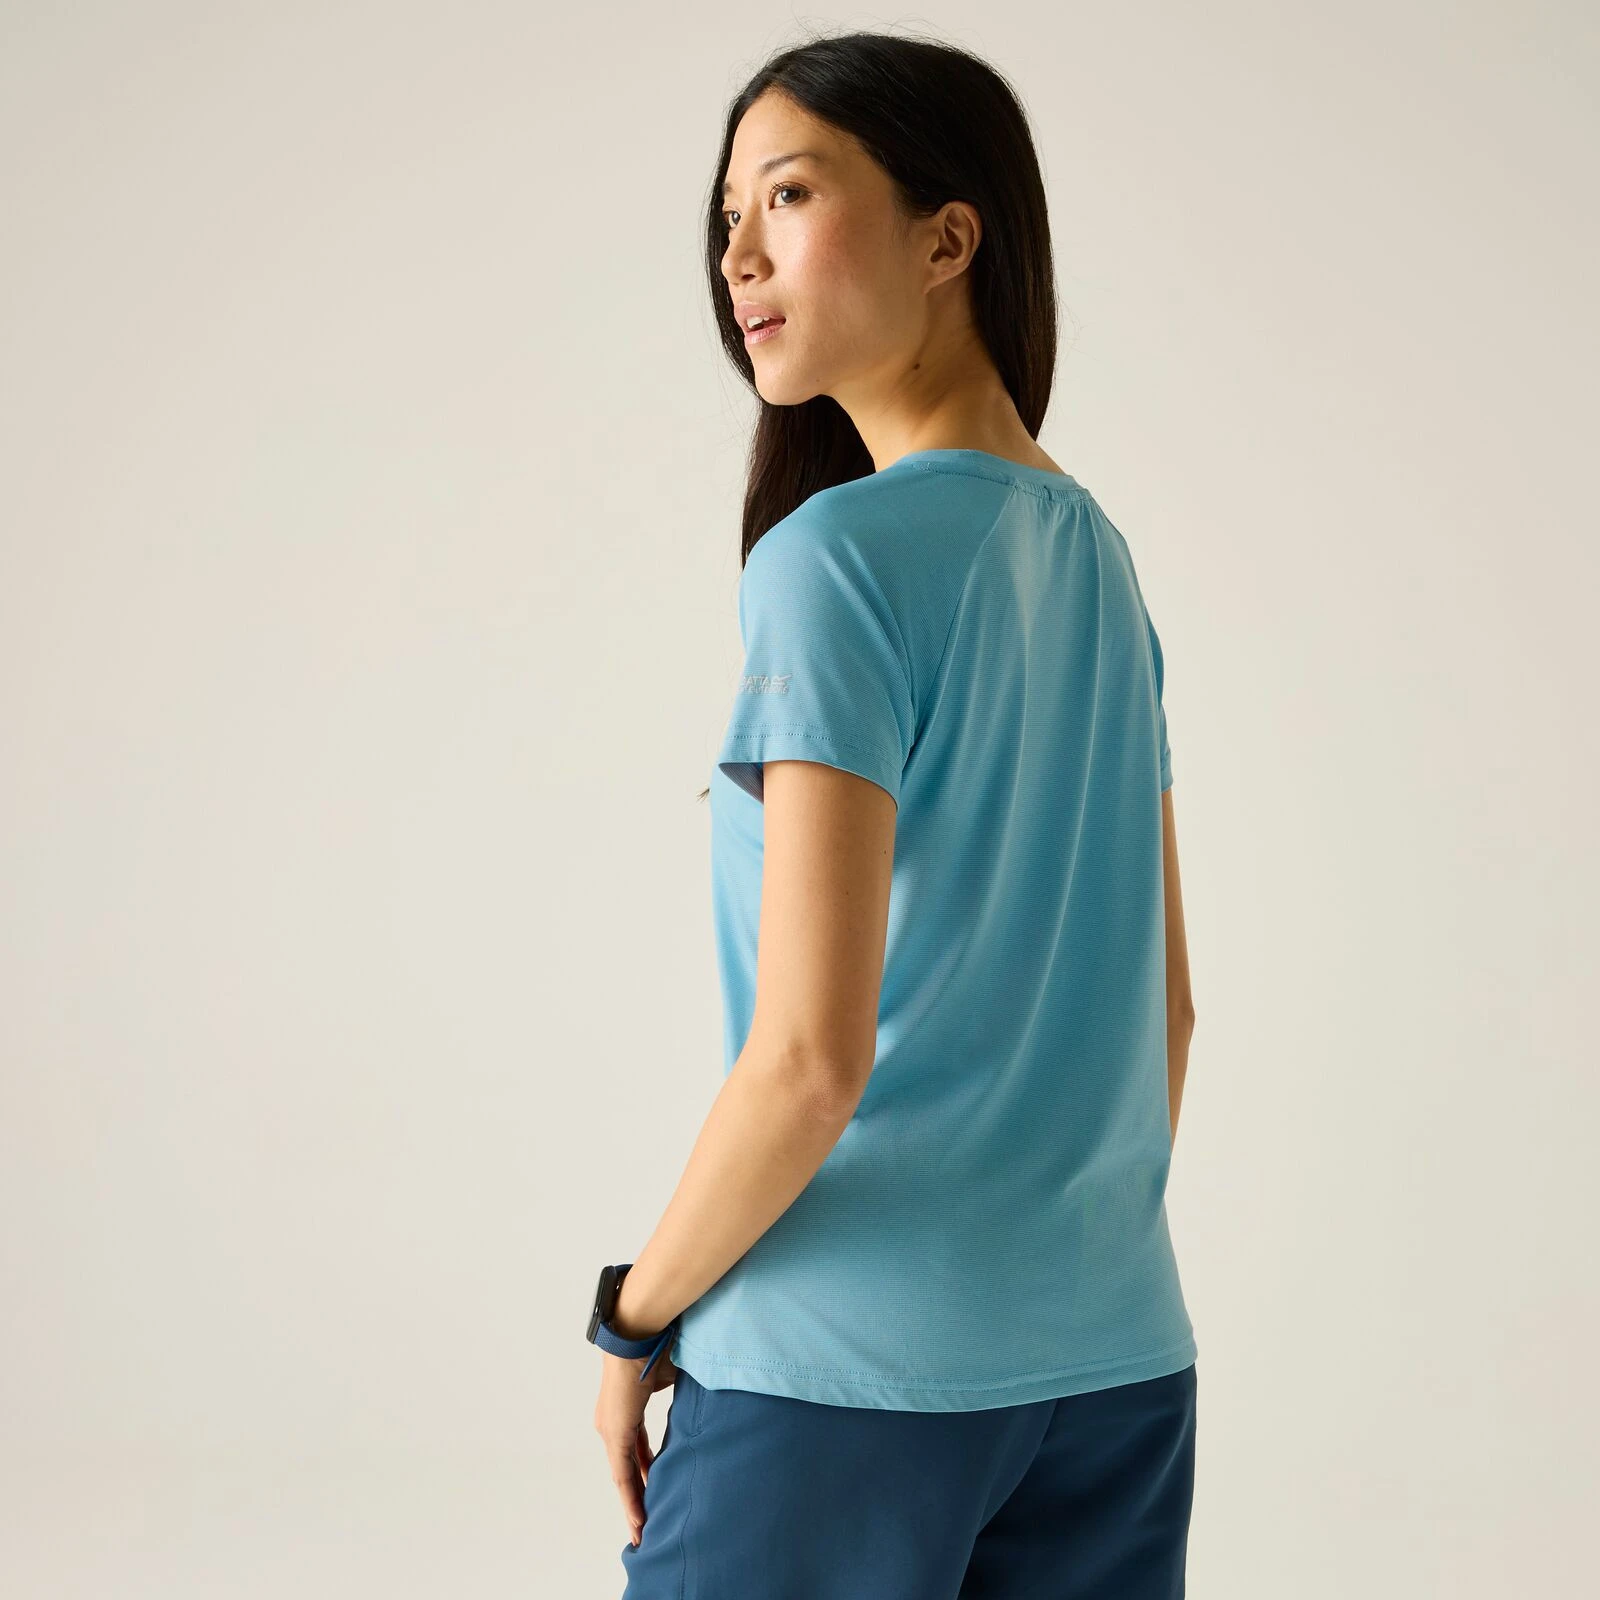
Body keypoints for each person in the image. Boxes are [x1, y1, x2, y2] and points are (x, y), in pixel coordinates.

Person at [588, 28, 1199, 1600]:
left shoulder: (835, 559)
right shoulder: (1101, 562)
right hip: (1114, 1373)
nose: (738, 254)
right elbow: (1168, 1016)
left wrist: (633, 1317)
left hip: (835, 1385)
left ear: (949, 237)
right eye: (726, 215)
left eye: (789, 195)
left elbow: (809, 1063)